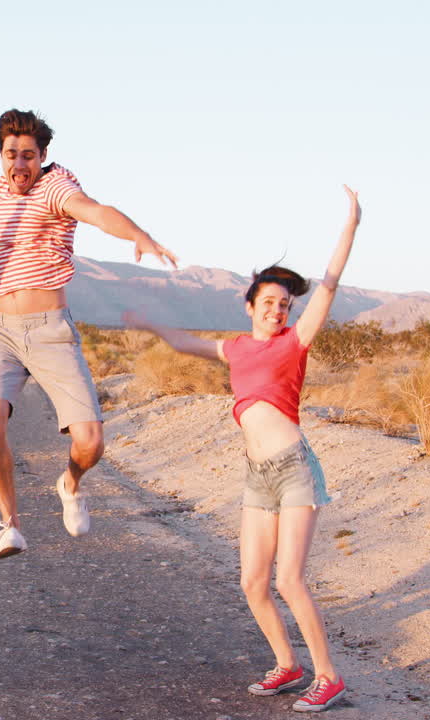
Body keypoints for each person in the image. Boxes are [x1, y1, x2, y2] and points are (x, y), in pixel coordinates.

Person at [123, 186, 361, 712]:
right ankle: (288, 665)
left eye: (284, 304)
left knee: (289, 579)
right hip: (258, 475)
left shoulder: (294, 342)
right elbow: (186, 344)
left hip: (294, 470)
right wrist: (149, 323)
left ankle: (328, 676)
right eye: (269, 302)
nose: (277, 310)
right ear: (249, 305)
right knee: (253, 582)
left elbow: (329, 285)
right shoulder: (234, 348)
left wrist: (350, 226)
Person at [0, 109, 178, 557]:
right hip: (2, 332)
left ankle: (70, 483)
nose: (19, 164)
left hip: (50, 330)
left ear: (43, 155)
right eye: (11, 154)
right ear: (1, 155)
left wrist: (137, 234)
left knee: (90, 443)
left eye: (28, 156)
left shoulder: (55, 188)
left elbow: (95, 212)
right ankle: (9, 525)